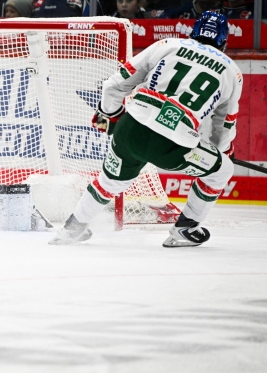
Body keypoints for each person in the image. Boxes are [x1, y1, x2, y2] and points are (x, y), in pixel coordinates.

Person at [50, 12, 241, 248]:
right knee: (222, 171)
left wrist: (110, 115)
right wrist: (222, 154)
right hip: (172, 146)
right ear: (224, 42)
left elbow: (113, 86)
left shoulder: (167, 44)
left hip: (131, 129)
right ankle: (185, 228)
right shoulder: (232, 72)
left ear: (192, 32)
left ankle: (72, 230)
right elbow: (224, 127)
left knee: (109, 181)